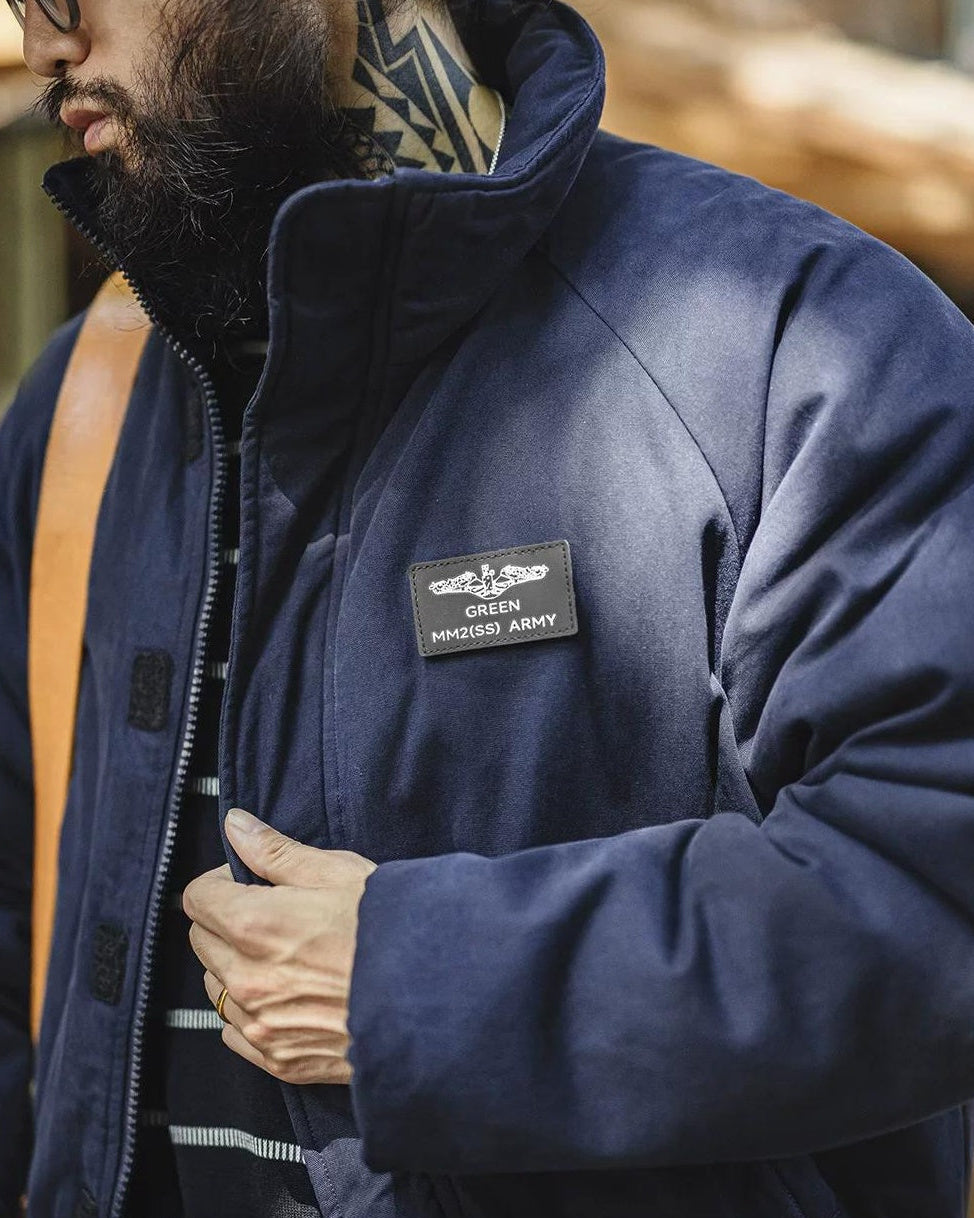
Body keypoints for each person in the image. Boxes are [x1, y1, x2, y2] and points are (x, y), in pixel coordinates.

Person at [3, 0, 974, 1212]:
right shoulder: (81, 408)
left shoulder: (798, 340)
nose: (40, 42)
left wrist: (420, 988)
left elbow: (932, 881)